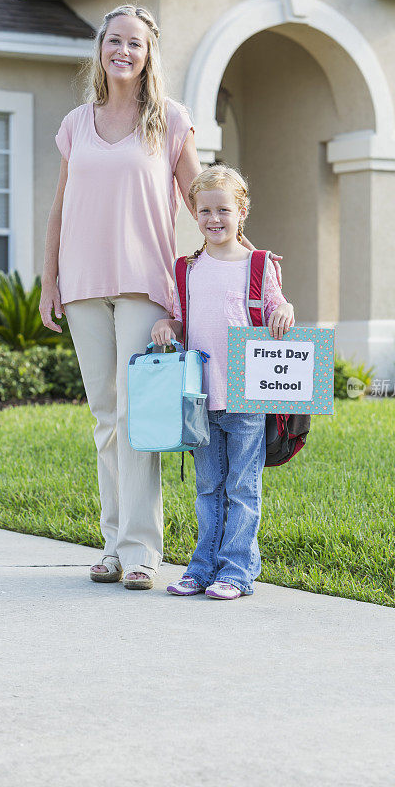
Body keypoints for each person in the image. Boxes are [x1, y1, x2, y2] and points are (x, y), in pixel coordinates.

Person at [39, 5, 206, 589]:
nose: (124, 52)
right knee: (104, 418)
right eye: (115, 41)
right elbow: (61, 206)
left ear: (149, 53)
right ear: (101, 49)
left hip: (144, 286)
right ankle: (112, 545)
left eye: (135, 44)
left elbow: (199, 197)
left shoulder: (171, 121)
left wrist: (247, 258)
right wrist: (49, 280)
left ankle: (142, 552)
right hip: (83, 286)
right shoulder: (76, 123)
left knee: (140, 417)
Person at [151, 165, 294, 599]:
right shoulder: (186, 269)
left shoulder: (258, 264)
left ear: (242, 212)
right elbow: (180, 318)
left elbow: (276, 307)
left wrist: (284, 311)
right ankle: (202, 566)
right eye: (205, 210)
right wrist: (167, 325)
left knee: (242, 487)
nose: (215, 218)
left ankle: (237, 571)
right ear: (194, 213)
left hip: (246, 398)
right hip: (201, 398)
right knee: (208, 487)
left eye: (224, 210)